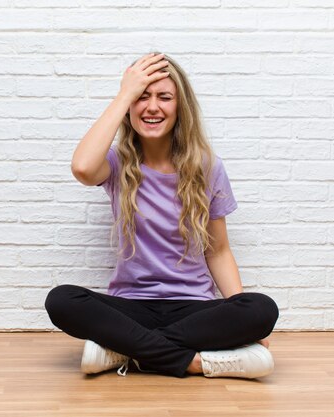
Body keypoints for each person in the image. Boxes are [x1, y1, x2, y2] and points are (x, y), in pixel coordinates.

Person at [45, 52, 279, 379]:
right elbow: (82, 167)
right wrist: (124, 93)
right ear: (129, 107)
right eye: (142, 97)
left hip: (193, 309)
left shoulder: (208, 167)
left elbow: (218, 250)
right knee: (61, 300)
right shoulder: (116, 163)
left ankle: (121, 351)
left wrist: (245, 319)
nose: (152, 106)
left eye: (164, 97)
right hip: (131, 307)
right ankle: (195, 361)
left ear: (180, 108)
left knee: (261, 309)